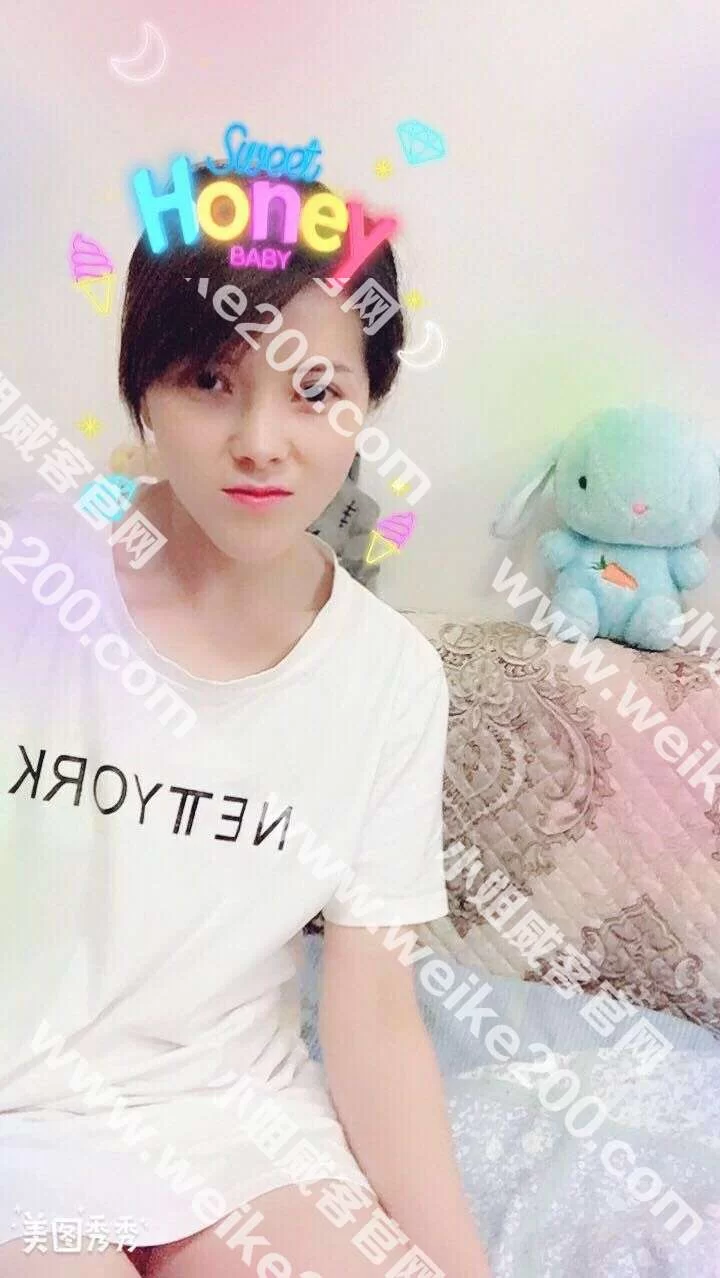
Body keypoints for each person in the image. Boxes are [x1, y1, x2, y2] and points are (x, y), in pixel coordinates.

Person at [0, 169, 491, 1277]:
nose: (262, 441)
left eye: (316, 391)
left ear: (369, 401)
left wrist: (461, 1265)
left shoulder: (390, 680)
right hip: (20, 1126)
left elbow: (372, 1015)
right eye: (211, 382)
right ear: (144, 390)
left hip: (240, 1129)